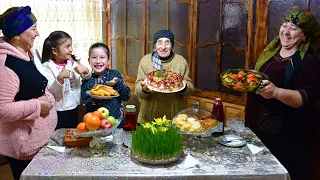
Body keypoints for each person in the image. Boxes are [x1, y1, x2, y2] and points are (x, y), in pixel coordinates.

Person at [247, 9, 320, 180]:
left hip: (287, 137)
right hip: (260, 128)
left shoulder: (308, 61)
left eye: (293, 28)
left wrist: (276, 92)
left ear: (304, 36)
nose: (286, 32)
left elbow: (304, 99)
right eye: (284, 25)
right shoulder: (271, 52)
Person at [0, 6, 57, 180]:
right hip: (24, 148)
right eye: (33, 29)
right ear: (17, 34)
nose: (38, 33)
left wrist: (48, 96)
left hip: (39, 143)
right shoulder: (6, 64)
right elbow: (3, 110)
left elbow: (31, 87)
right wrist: (38, 105)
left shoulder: (27, 53)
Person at [135, 30, 194, 123]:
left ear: (172, 45)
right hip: (148, 116)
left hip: (175, 117)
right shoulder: (146, 61)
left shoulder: (181, 61)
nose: (163, 47)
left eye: (167, 43)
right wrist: (144, 90)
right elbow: (138, 90)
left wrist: (183, 87)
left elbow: (190, 90)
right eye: (159, 43)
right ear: (155, 45)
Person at [41, 31, 91, 129]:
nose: (71, 49)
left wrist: (85, 70)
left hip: (74, 107)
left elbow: (87, 77)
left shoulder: (72, 63)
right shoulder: (47, 67)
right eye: (67, 46)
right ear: (54, 51)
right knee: (59, 135)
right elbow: (51, 91)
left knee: (72, 133)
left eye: (71, 46)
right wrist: (60, 78)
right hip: (58, 109)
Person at [81, 43, 131, 123]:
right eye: (94, 57)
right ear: (89, 60)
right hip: (95, 122)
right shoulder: (87, 79)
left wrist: (117, 83)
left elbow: (126, 96)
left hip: (116, 121)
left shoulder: (114, 75)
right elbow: (87, 103)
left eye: (102, 57)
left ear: (108, 61)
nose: (98, 61)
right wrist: (97, 97)